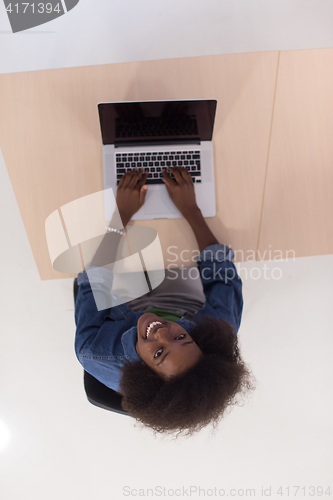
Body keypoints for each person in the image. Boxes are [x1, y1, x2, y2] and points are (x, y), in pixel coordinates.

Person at [75, 166, 255, 436]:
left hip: (122, 296)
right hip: (174, 291)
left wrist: (121, 215)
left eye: (159, 353)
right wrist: (191, 210)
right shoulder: (215, 333)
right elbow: (221, 271)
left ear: (143, 375)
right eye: (183, 339)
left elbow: (92, 283)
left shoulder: (93, 350)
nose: (161, 332)